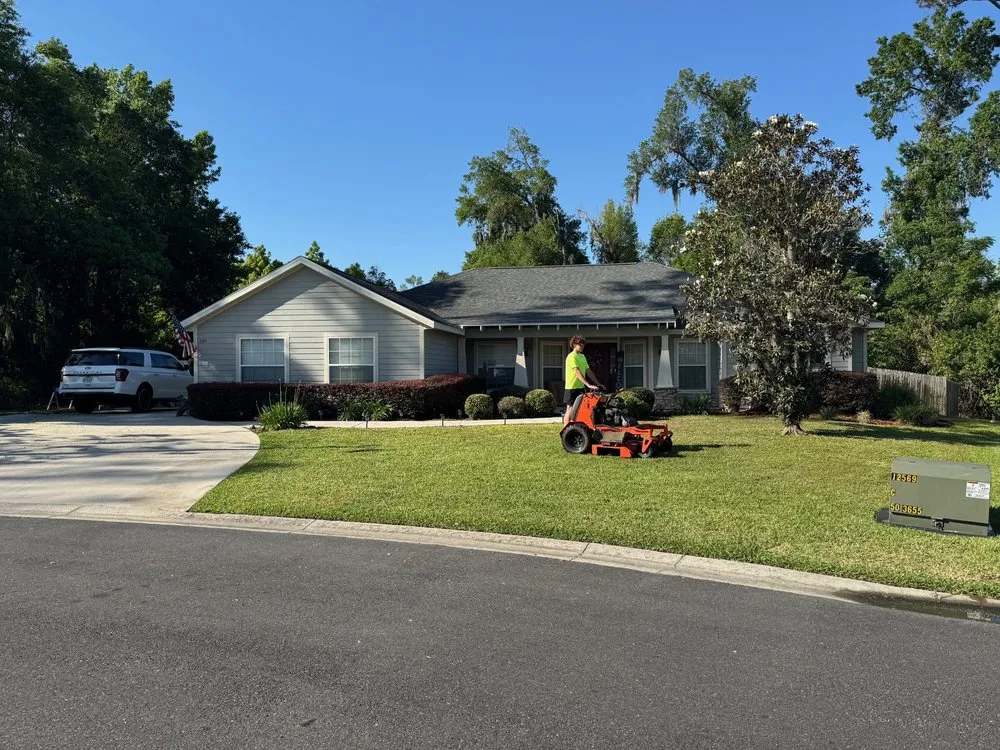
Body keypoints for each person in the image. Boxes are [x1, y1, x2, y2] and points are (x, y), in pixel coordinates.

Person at [563, 336, 603, 424]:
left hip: (580, 387)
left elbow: (588, 371)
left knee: (578, 410)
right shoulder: (571, 357)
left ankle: (574, 429)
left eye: (583, 345)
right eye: (579, 344)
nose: (582, 346)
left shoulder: (582, 356)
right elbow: (576, 371)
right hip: (571, 387)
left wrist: (598, 384)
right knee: (569, 409)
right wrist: (588, 385)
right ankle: (566, 432)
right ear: (574, 344)